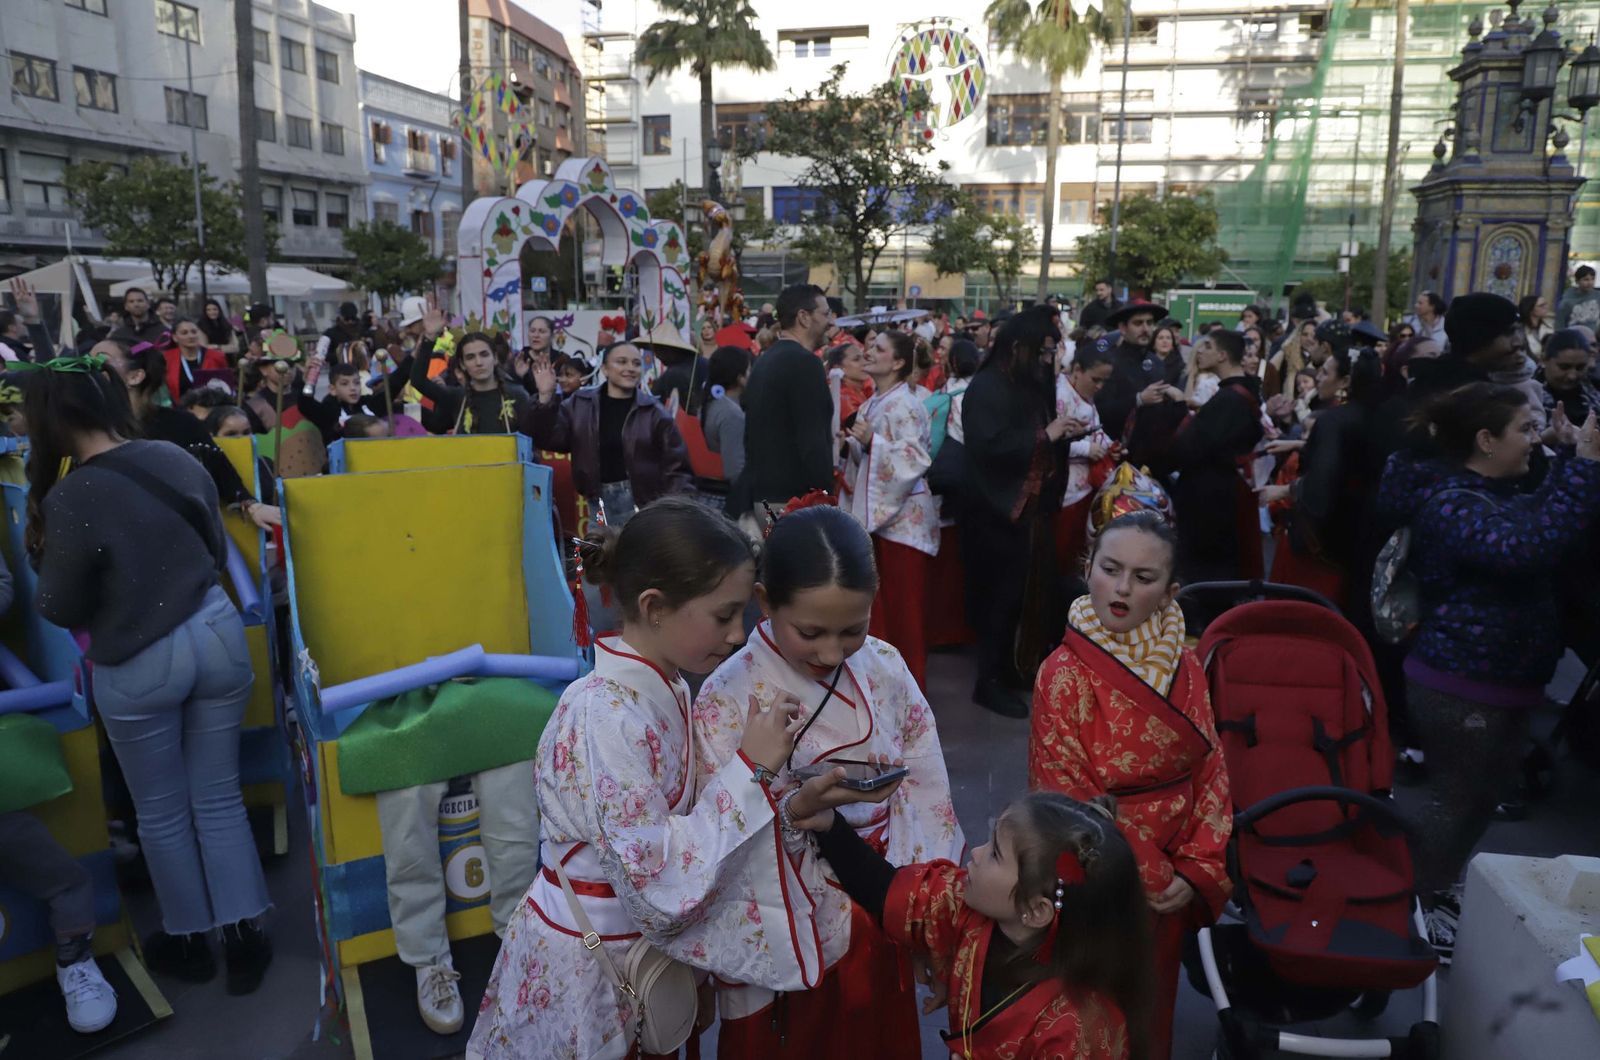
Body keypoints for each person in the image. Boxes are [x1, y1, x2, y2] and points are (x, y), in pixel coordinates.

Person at [468, 499, 895, 1058]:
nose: (738, 634)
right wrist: (751, 769)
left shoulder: (664, 689)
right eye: (724, 616)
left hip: (636, 954)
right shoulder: (603, 716)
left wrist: (788, 805)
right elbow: (656, 882)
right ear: (654, 607)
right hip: (593, 959)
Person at [26, 353, 273, 995]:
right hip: (217, 634)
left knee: (160, 813)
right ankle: (245, 938)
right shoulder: (175, 457)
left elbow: (57, 606)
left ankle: (190, 940)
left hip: (137, 661)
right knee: (219, 798)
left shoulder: (70, 496)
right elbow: (213, 547)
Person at [693, 504, 963, 1056]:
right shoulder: (727, 695)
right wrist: (793, 809)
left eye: (853, 630)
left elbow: (927, 788)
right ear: (765, 601)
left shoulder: (884, 665)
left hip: (882, 897)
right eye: (810, 632)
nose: (832, 652)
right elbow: (712, 832)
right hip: (786, 924)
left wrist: (921, 908)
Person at [1376, 384, 1600, 960]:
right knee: (1458, 798)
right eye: (1524, 429)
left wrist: (1566, 458)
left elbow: (1543, 518)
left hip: (1499, 681)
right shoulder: (1452, 503)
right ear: (1485, 440)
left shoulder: (1487, 492)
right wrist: (1584, 467)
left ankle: (1434, 885)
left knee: (1481, 797)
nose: (1534, 438)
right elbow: (1527, 546)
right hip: (1459, 685)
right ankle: (1411, 904)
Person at [1029, 511, 1231, 1060]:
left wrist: (1199, 863)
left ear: (1170, 592)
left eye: (1144, 578)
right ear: (1087, 568)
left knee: (1149, 1011)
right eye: (1110, 569)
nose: (1121, 588)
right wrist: (1159, 876)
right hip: (1099, 874)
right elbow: (1065, 792)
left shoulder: (1186, 665)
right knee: (1088, 1015)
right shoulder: (1061, 673)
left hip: (1174, 867)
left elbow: (1212, 768)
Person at [802, 788, 1152, 1058]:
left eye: (996, 854)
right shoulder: (970, 911)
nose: (977, 852)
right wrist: (829, 824)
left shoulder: (1080, 1030)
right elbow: (888, 891)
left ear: (1036, 910)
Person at [961, 306, 1087, 718]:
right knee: (997, 599)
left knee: (1022, 597)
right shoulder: (987, 386)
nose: (1048, 361)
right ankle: (988, 681)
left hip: (1029, 514)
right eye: (1043, 352)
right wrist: (1045, 435)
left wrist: (1060, 434)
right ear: (1018, 348)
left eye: (1052, 353)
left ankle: (1012, 667)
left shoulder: (1028, 383)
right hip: (994, 513)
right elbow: (988, 447)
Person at [840, 331, 940, 687]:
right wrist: (853, 446)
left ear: (897, 362)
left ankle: (909, 691)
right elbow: (870, 456)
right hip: (883, 519)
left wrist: (872, 442)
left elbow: (915, 459)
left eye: (878, 349)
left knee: (903, 615)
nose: (869, 352)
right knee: (882, 612)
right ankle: (881, 688)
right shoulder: (876, 402)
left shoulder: (906, 405)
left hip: (903, 524)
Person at [1261, 337, 1384, 607]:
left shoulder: (1333, 421)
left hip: (1327, 542)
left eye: (1326, 373)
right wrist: (1301, 445)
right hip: (1367, 533)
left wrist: (1286, 490)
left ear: (1345, 381)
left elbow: (1323, 485)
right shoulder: (1380, 415)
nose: (1318, 377)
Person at [108, 340, 282, 530]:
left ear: (135, 376)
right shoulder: (92, 425)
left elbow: (219, 467)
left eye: (102, 359)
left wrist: (252, 505)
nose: (88, 365)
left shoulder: (180, 423)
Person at [523, 342, 692, 524]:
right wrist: (545, 397)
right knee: (598, 543)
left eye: (636, 363)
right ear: (604, 369)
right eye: (622, 361)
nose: (630, 368)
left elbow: (677, 467)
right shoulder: (580, 404)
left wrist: (675, 513)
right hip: (598, 502)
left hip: (642, 505)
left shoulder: (654, 412)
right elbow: (548, 439)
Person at [1164, 330, 1264, 583]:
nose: (1199, 350)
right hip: (1223, 497)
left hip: (1209, 505)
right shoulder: (1239, 394)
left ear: (1222, 355)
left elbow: (1191, 447)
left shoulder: (1229, 399)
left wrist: (1179, 408)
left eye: (1207, 346)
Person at [733, 284, 836, 525]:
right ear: (804, 317)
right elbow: (813, 440)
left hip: (764, 499)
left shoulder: (765, 360)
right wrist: (826, 495)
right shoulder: (805, 363)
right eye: (825, 314)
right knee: (796, 552)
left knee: (774, 550)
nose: (830, 322)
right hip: (793, 503)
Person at [406, 304, 528, 435]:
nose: (479, 362)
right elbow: (418, 381)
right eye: (470, 357)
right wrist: (429, 338)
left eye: (484, 355)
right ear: (462, 364)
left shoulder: (518, 395)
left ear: (495, 359)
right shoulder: (456, 397)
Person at [1095, 302, 1184, 462]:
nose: (1145, 329)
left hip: (1148, 455)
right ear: (1123, 328)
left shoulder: (1156, 362)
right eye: (1138, 323)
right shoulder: (1108, 362)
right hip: (1113, 452)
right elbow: (1099, 409)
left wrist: (1177, 403)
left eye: (1149, 323)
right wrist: (1139, 399)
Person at [1056, 348, 1115, 576]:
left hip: (1086, 489)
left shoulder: (1086, 397)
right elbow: (1051, 443)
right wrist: (1087, 449)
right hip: (1065, 493)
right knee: (1062, 555)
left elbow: (1095, 430)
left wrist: (1111, 446)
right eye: (1095, 379)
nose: (1099, 386)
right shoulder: (1059, 395)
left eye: (1104, 381)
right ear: (1077, 370)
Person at [298, 352, 411, 445]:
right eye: (344, 384)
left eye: (356, 383)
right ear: (333, 389)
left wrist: (414, 355)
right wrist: (308, 380)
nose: (353, 388)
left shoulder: (370, 404)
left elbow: (396, 383)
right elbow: (305, 404)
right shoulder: (328, 412)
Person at [701, 344, 750, 482]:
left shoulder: (712, 402)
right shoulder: (731, 414)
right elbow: (736, 471)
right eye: (749, 370)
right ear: (740, 378)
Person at [1539, 328, 1600, 428]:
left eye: (1580, 368)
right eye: (1564, 367)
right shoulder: (1528, 397)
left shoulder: (1594, 392)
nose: (1572, 376)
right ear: (1544, 360)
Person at [163, 318, 230, 402]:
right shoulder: (166, 358)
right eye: (184, 333)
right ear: (175, 337)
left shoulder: (216, 356)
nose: (191, 336)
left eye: (194, 332)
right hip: (178, 407)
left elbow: (226, 386)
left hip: (211, 406)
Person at [1555, 264, 1600, 330]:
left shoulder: (1597, 295)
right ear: (1577, 281)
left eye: (1592, 279)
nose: (1590, 282)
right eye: (1586, 279)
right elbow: (1559, 323)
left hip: (1593, 335)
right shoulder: (1567, 300)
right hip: (1573, 334)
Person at [1518, 293, 1554, 359]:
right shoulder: (1519, 329)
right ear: (1530, 309)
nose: (1546, 307)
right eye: (1541, 305)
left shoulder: (1549, 326)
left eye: (1546, 304)